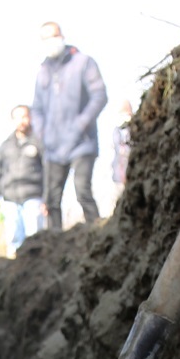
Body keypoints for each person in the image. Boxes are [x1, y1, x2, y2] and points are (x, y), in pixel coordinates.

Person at [31, 21, 108, 229]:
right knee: (52, 199)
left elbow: (99, 96)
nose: (51, 42)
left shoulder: (83, 62)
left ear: (62, 36)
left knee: (82, 190)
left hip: (82, 142)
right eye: (45, 38)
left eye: (53, 36)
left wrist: (80, 124)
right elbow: (36, 108)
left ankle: (97, 232)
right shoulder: (43, 71)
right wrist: (42, 133)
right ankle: (55, 244)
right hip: (53, 146)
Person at [0, 104, 45, 254]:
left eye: (25, 116)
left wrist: (48, 198)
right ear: (13, 120)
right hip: (10, 199)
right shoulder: (5, 146)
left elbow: (48, 171)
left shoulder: (39, 142)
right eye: (18, 117)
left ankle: (36, 270)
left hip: (34, 197)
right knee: (13, 240)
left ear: (30, 118)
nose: (22, 120)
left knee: (35, 238)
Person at [112, 99, 134, 187]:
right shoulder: (117, 131)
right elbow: (118, 150)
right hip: (119, 176)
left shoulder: (133, 128)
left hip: (130, 172)